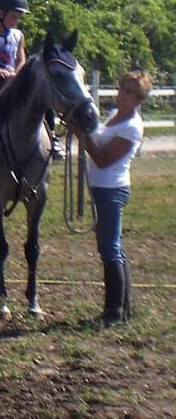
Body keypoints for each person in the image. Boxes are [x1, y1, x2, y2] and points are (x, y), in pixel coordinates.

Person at [69, 70, 151, 326]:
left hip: (112, 189)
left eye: (129, 92)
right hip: (103, 189)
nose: (122, 95)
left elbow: (103, 160)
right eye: (122, 88)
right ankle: (123, 307)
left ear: (138, 99)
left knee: (110, 248)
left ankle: (113, 312)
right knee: (113, 246)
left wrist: (80, 136)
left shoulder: (131, 126)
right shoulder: (115, 117)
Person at [0, 0, 63, 157]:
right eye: (13, 17)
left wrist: (16, 72)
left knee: (41, 98)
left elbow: (21, 58)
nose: (16, 21)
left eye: (18, 18)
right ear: (0, 13)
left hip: (14, 78)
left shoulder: (18, 35)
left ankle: (52, 137)